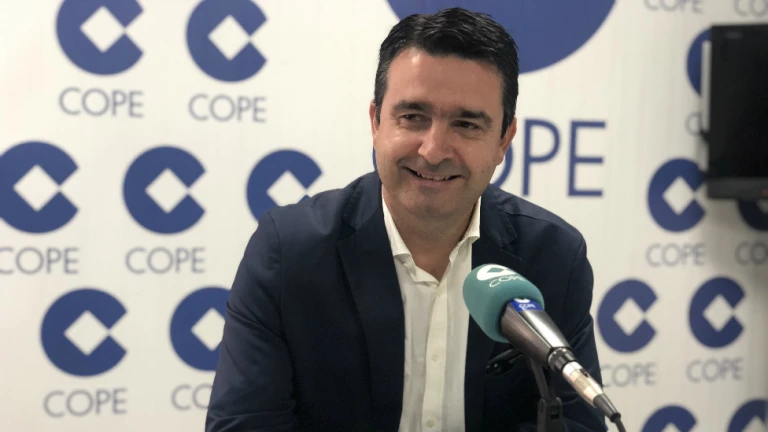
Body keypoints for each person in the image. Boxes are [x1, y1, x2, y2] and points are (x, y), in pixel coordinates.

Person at [206, 7, 606, 432]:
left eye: (466, 124)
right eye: (413, 117)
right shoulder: (288, 253)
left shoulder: (553, 258)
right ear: (376, 122)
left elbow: (578, 424)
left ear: (504, 141)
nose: (433, 151)